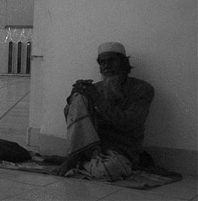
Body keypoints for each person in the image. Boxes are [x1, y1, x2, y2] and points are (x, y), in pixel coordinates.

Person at [55, 42, 155, 182]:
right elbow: (74, 121)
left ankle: (77, 161)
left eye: (111, 61)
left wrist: (97, 100)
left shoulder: (142, 89)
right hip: (93, 147)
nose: (106, 66)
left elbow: (129, 122)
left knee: (110, 170)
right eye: (102, 62)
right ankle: (76, 158)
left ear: (124, 63)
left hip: (122, 151)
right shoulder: (95, 88)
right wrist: (72, 99)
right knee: (80, 98)